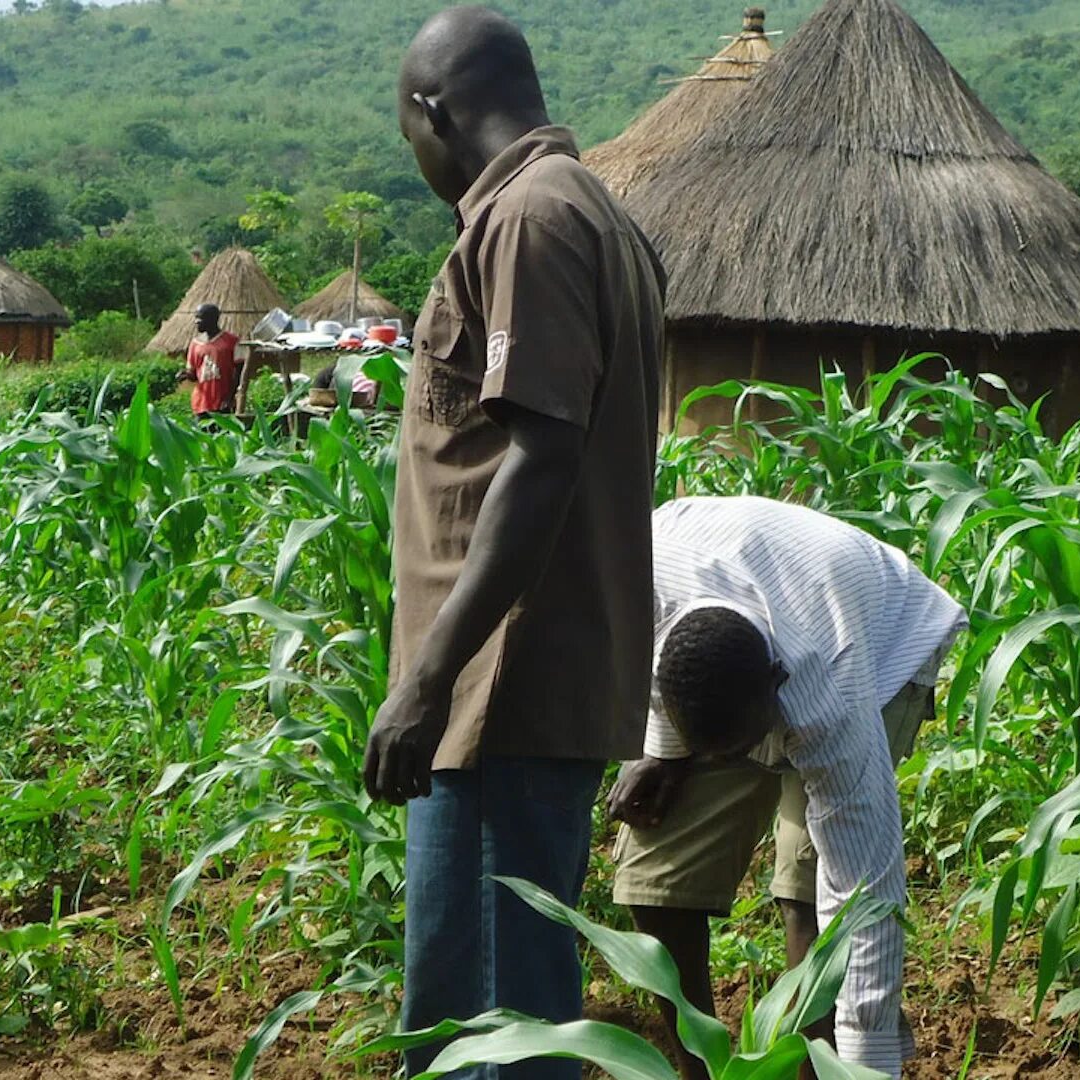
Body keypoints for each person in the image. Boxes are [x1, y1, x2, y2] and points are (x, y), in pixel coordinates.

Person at [362, 7, 665, 1079]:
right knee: (495, 1005)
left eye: (409, 132)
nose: (415, 155)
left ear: (432, 111)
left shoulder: (532, 219)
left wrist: (428, 678)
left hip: (499, 689)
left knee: (489, 1026)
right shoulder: (593, 214)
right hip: (509, 688)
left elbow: (542, 458)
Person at [607, 496, 968, 1080]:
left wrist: (867, 1070)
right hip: (720, 604)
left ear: (777, 684)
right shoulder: (634, 588)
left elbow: (864, 901)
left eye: (744, 745)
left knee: (810, 895)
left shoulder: (830, 699)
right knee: (656, 878)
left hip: (882, 643)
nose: (736, 764)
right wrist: (664, 751)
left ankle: (816, 1071)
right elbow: (655, 664)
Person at [181, 303, 240, 418]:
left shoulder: (231, 341)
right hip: (201, 404)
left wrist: (230, 397)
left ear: (213, 319)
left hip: (223, 403)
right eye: (196, 317)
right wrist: (185, 375)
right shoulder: (195, 344)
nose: (196, 321)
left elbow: (239, 371)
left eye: (200, 317)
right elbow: (194, 374)